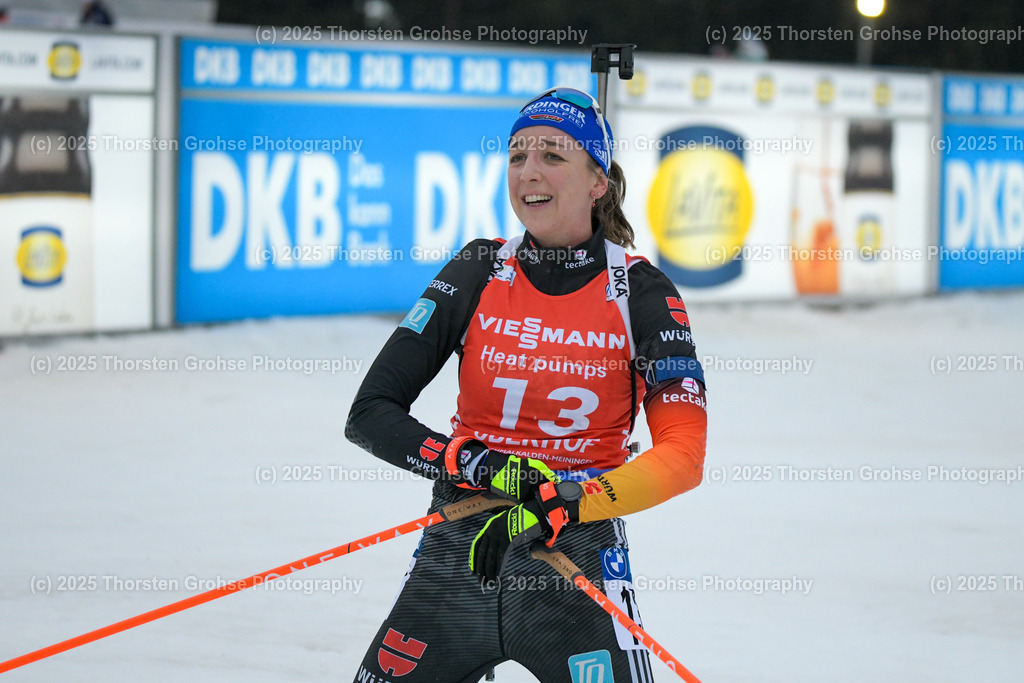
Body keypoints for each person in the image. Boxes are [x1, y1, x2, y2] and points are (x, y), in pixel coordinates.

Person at [346, 87, 708, 683]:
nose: (528, 172)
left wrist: (566, 502)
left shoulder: (643, 293)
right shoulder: (479, 268)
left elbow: (683, 456)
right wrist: (476, 463)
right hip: (460, 551)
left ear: (599, 181)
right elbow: (370, 413)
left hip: (575, 561)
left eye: (552, 156)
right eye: (517, 156)